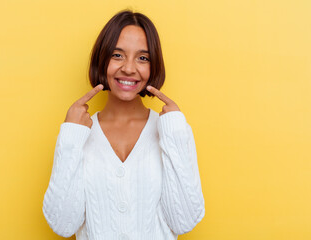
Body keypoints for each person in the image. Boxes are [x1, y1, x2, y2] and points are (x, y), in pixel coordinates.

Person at [42, 9, 205, 240]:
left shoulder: (172, 130)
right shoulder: (77, 133)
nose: (129, 68)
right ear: (102, 59)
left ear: (153, 65)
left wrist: (175, 131)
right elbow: (63, 224)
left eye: (143, 58)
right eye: (117, 55)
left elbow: (184, 221)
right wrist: (71, 136)